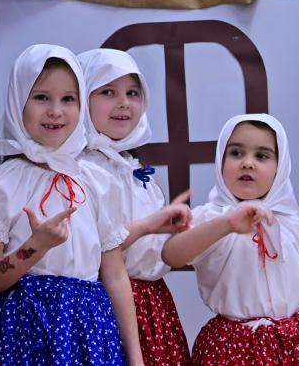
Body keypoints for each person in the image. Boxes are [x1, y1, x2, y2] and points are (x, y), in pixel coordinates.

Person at [0, 44, 143, 366]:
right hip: (23, 331)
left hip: (89, 329)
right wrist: (35, 246)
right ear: (17, 101)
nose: (56, 111)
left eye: (68, 99)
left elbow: (115, 275)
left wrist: (135, 358)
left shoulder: (98, 181)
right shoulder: (1, 183)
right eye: (41, 97)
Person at [162, 114, 299, 366]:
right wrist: (227, 224)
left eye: (262, 156)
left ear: (280, 168)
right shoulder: (211, 218)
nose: (248, 163)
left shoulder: (295, 229)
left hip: (294, 348)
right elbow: (171, 255)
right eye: (236, 153)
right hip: (229, 349)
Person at [78, 48, 191, 365]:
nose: (124, 103)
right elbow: (95, 248)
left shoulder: (135, 170)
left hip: (155, 304)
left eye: (132, 92)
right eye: (107, 92)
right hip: (107, 304)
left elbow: (160, 253)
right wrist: (149, 225)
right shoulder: (80, 170)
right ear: (82, 97)